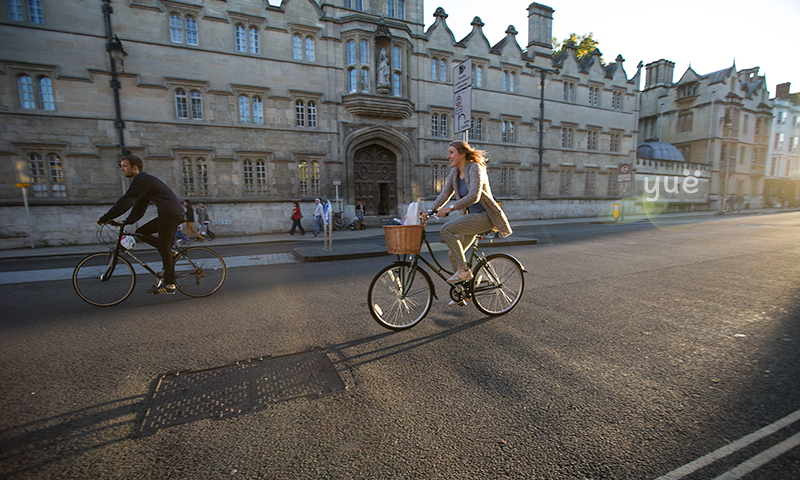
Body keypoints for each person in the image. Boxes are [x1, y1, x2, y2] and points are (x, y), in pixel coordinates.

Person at [97, 154, 185, 295]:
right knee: (141, 232)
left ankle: (169, 284)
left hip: (171, 214)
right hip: (168, 213)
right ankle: (171, 253)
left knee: (163, 246)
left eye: (124, 166)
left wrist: (105, 217)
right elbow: (139, 206)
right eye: (121, 166)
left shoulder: (141, 179)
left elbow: (126, 200)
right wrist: (127, 222)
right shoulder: (143, 182)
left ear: (134, 167)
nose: (121, 168)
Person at [431, 140, 512, 289]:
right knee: (453, 254)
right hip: (470, 219)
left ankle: (463, 271)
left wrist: (450, 208)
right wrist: (430, 210)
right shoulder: (455, 172)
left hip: (485, 216)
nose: (448, 156)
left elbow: (474, 195)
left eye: (451, 152)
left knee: (446, 229)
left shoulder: (475, 168)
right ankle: (463, 291)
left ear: (462, 154)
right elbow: (445, 193)